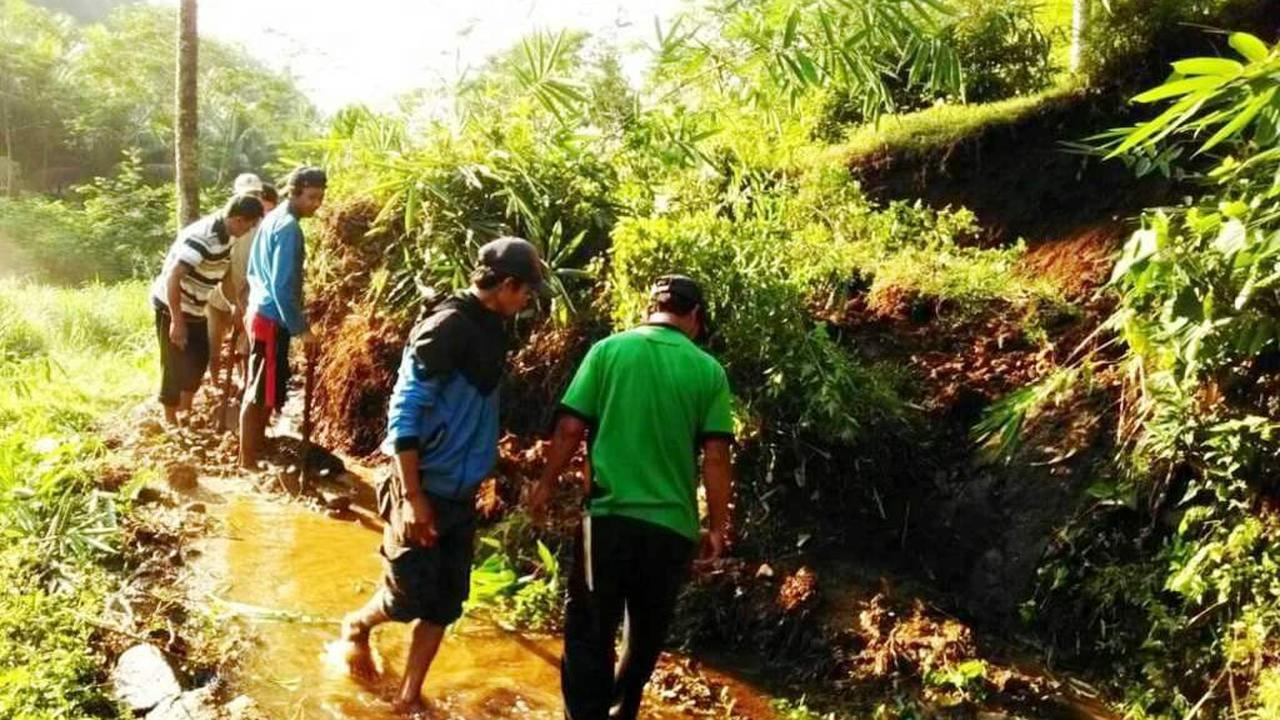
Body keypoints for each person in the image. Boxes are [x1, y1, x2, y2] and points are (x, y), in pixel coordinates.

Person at [337, 237, 545, 715]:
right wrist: (412, 497)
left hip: (460, 488)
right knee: (408, 597)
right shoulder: (447, 327)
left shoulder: (491, 325)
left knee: (446, 602)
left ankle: (409, 697)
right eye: (527, 292)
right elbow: (404, 412)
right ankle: (357, 626)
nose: (529, 301)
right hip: (423, 484)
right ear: (507, 284)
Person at [528, 274, 735, 720]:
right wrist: (717, 527)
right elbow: (716, 456)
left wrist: (545, 484)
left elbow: (569, 428)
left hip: (607, 519)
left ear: (650, 308)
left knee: (589, 631)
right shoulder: (708, 370)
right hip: (671, 529)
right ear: (695, 316)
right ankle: (621, 712)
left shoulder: (608, 351)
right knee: (644, 634)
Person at [150, 194, 266, 426]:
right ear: (238, 219)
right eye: (250, 224)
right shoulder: (203, 238)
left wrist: (235, 306)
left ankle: (185, 412)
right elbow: (173, 277)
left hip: (195, 305)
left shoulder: (229, 236)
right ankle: (171, 421)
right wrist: (177, 321)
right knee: (173, 364)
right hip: (171, 304)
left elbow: (224, 277)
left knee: (198, 359)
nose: (250, 230)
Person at [239, 167, 326, 468]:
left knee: (267, 386)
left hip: (259, 311)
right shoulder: (288, 228)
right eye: (312, 197)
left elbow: (253, 272)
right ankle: (247, 459)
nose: (317, 204)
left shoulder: (271, 219)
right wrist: (302, 329)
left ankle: (256, 448)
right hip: (270, 317)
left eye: (320, 197)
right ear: (295, 192)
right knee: (260, 389)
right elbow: (281, 286)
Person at [207, 174, 278, 381]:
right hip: (218, 293)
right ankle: (215, 382)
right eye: (248, 194)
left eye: (256, 194)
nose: (253, 198)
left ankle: (244, 381)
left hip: (248, 292)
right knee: (214, 340)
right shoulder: (225, 222)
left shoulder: (265, 225)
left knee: (245, 342)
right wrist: (232, 302)